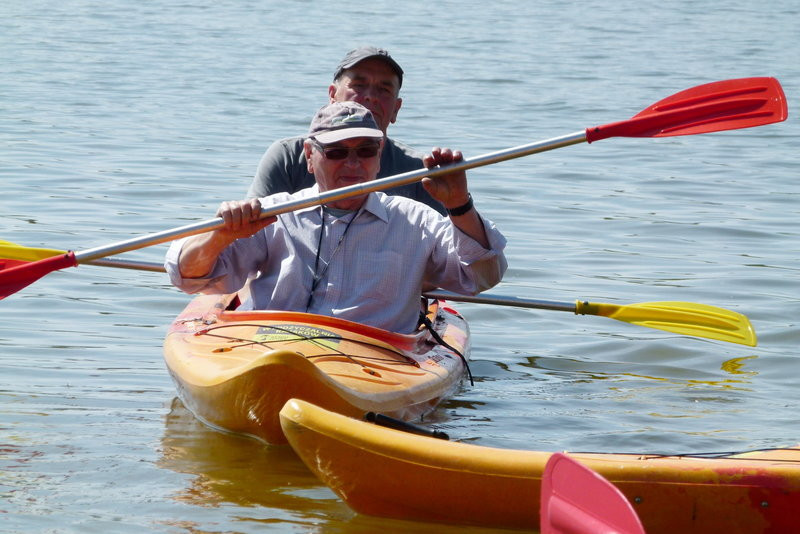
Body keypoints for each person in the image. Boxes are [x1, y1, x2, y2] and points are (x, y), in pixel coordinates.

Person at [166, 101, 506, 334]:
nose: (353, 163)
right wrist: (222, 235)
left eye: (366, 151)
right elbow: (187, 277)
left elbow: (482, 277)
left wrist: (459, 205)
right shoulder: (275, 212)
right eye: (337, 152)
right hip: (267, 347)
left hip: (372, 358)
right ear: (310, 156)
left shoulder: (416, 221)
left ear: (379, 156)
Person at [247, 46, 446, 214]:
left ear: (396, 108)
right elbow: (252, 235)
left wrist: (460, 202)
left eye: (384, 90)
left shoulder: (421, 171)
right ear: (332, 96)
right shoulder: (288, 157)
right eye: (359, 85)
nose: (371, 97)